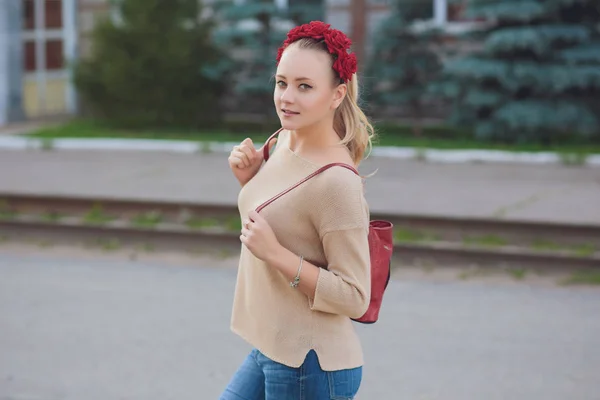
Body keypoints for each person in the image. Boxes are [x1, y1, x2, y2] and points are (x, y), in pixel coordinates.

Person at [221, 20, 376, 400]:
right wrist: (250, 180)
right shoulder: (286, 140)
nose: (286, 97)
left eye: (304, 86)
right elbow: (290, 220)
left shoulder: (337, 183)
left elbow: (355, 294)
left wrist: (276, 254)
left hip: (309, 363)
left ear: (337, 94)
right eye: (281, 82)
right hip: (272, 345)